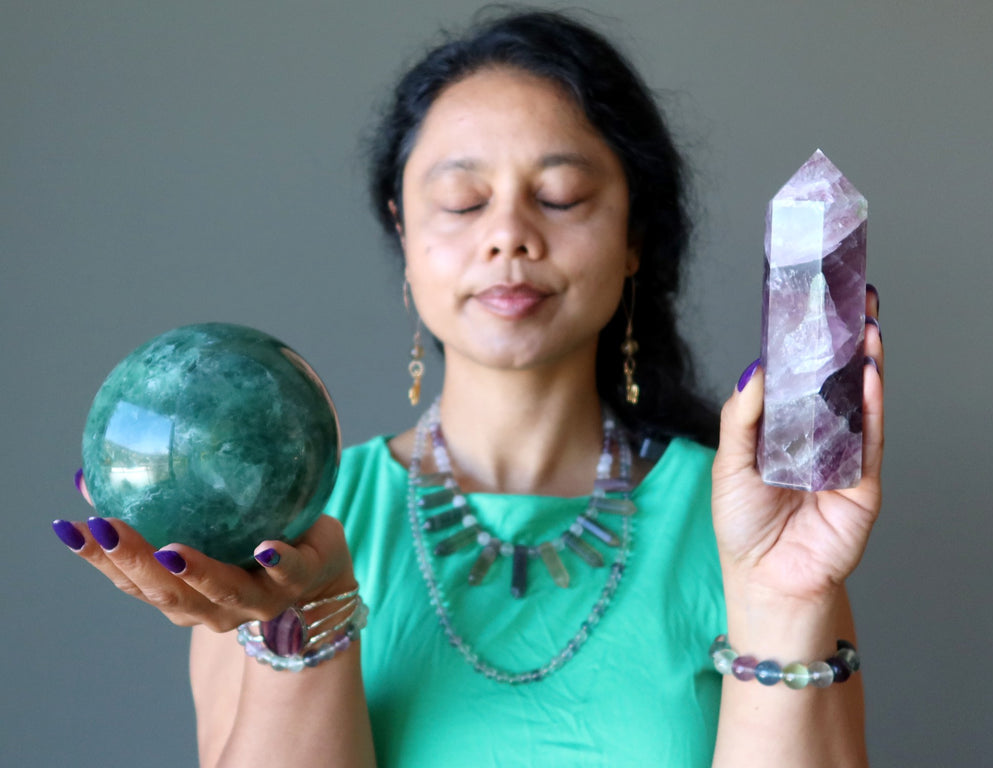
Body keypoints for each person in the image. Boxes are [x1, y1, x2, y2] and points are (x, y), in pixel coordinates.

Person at [52, 9, 884, 767]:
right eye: (460, 201)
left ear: (634, 236)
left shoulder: (754, 522)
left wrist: (784, 598)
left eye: (559, 196)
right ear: (404, 235)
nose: (509, 237)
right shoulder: (280, 525)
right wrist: (307, 623)